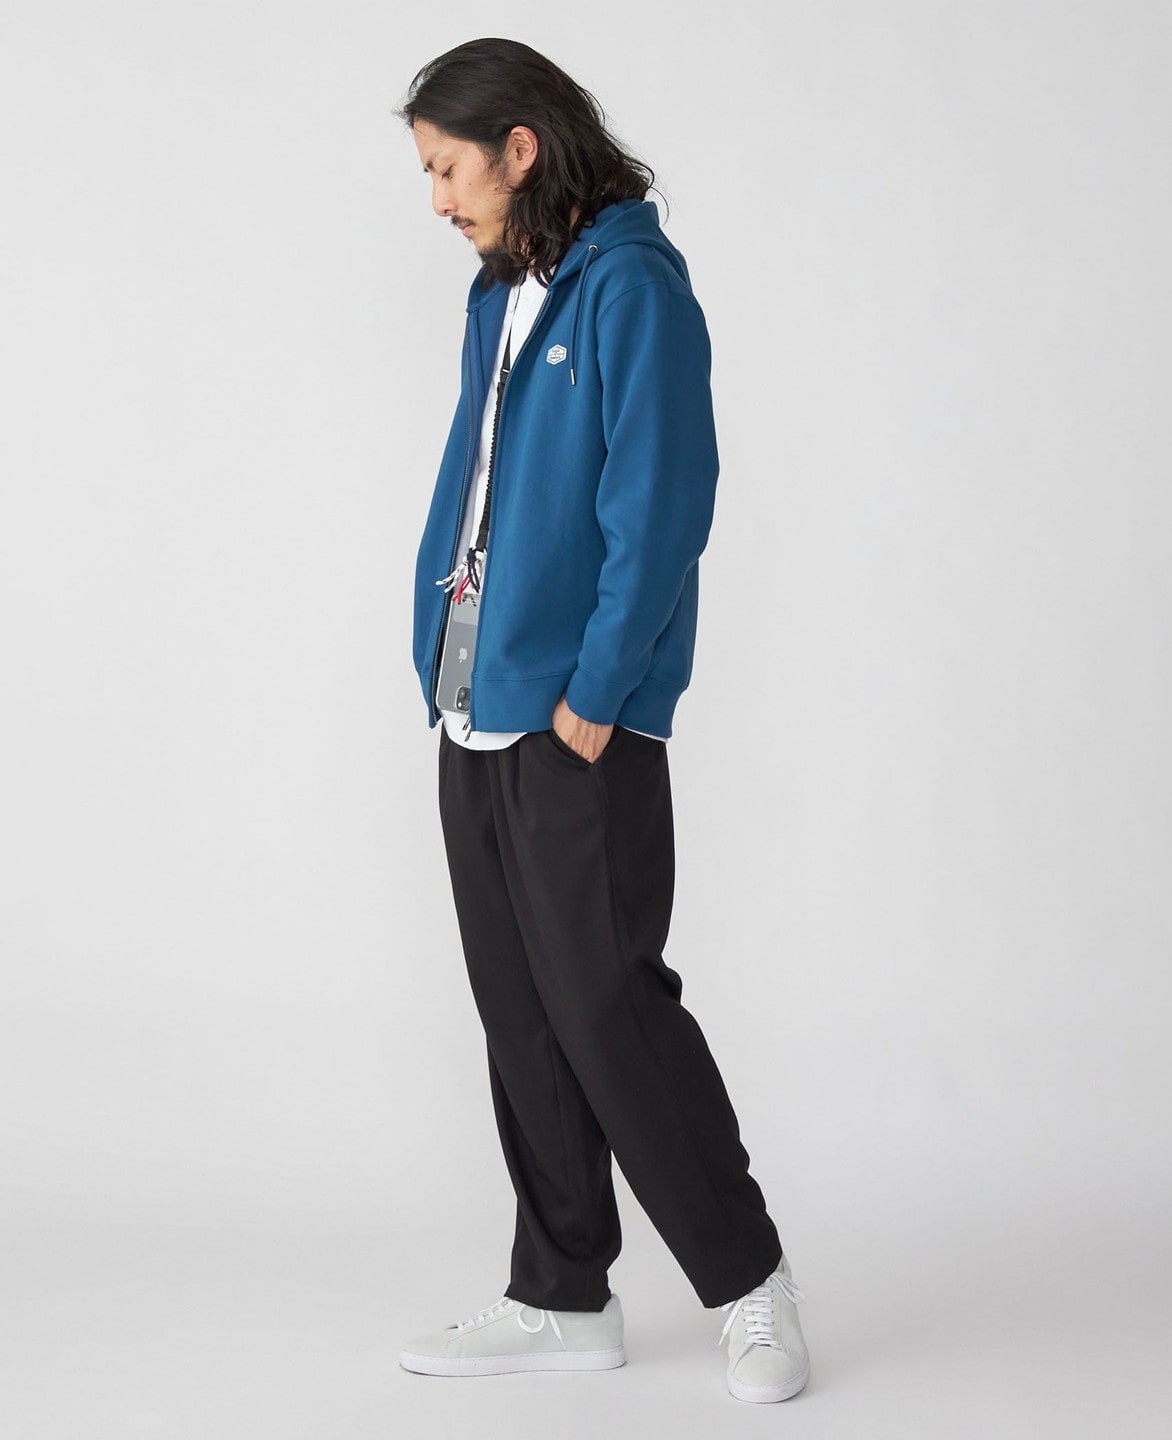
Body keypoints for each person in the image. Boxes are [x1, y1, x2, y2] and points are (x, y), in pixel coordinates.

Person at [393, 38, 810, 1405]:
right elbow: (480, 477)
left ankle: (749, 1284)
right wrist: (437, 657)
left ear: (520, 146)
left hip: (574, 717)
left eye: (449, 169)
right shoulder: (496, 296)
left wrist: (600, 690)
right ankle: (564, 1291)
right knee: (520, 1014)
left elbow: (662, 501)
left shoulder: (632, 286)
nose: (438, 200)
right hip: (474, 704)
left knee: (609, 1008)